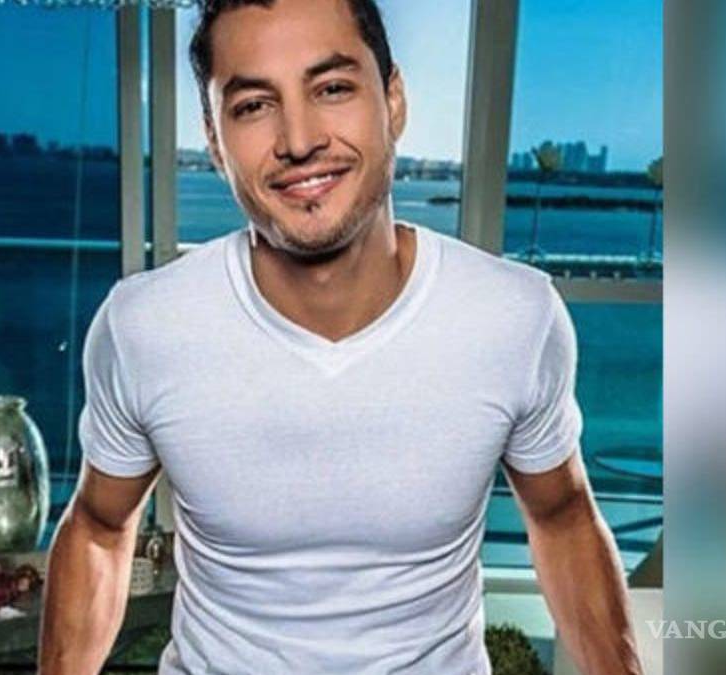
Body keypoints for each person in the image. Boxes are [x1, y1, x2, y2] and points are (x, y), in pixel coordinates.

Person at [40, 1, 641, 673]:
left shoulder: (513, 315)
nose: (299, 139)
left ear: (393, 99)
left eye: (331, 88)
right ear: (214, 140)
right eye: (253, 106)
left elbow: (563, 517)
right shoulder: (146, 324)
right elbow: (99, 525)